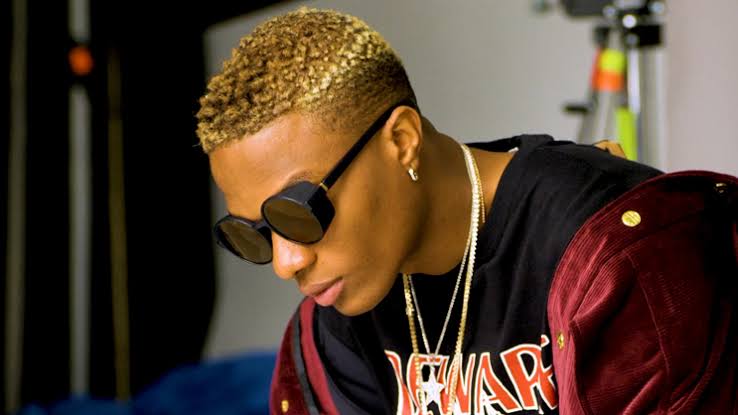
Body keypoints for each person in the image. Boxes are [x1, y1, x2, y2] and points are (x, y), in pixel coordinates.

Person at [196, 7, 738, 415]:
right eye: (256, 235)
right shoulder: (332, 327)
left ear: (402, 141)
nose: (287, 262)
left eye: (299, 213)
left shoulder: (618, 259)